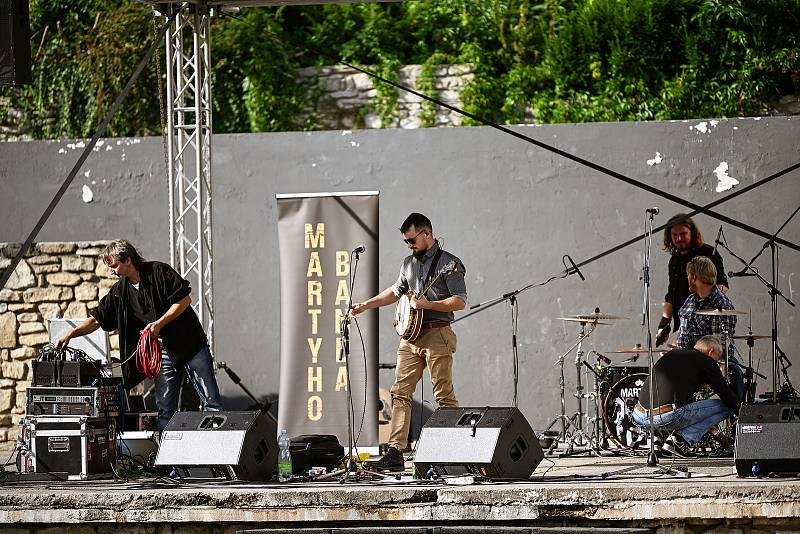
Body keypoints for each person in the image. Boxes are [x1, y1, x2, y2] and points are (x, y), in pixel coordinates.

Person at [54, 239, 223, 430]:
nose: (112, 271)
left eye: (115, 265)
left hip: (191, 345)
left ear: (128, 259)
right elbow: (97, 320)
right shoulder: (120, 291)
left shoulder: (159, 271)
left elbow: (184, 300)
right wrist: (71, 334)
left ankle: (219, 452)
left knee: (212, 403)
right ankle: (165, 458)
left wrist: (159, 324)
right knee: (165, 411)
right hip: (163, 354)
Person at [350, 213, 467, 471]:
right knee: (400, 392)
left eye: (412, 240)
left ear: (427, 234)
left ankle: (453, 449)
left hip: (438, 333)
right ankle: (395, 453)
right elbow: (395, 291)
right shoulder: (408, 264)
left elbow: (459, 300)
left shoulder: (450, 263)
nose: (409, 245)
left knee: (443, 394)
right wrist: (366, 305)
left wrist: (429, 304)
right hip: (410, 336)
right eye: (406, 241)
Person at [632, 335, 740, 458]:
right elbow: (726, 395)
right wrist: (741, 412)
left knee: (668, 401)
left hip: (638, 416)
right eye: (716, 359)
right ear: (711, 351)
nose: (715, 362)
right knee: (725, 406)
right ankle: (678, 441)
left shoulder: (673, 354)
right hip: (665, 417)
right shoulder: (706, 360)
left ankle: (657, 439)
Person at [674, 256, 744, 401]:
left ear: (693, 277)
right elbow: (683, 334)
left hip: (707, 364)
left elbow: (718, 349)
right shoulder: (691, 300)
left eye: (688, 275)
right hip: (686, 361)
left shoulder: (721, 305)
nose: (687, 279)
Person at [656, 213, 728, 347]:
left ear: (692, 232)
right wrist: (663, 324)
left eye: (683, 234)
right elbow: (671, 295)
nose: (679, 238)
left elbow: (722, 286)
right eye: (674, 235)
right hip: (682, 325)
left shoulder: (708, 253)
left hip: (705, 329)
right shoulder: (674, 260)